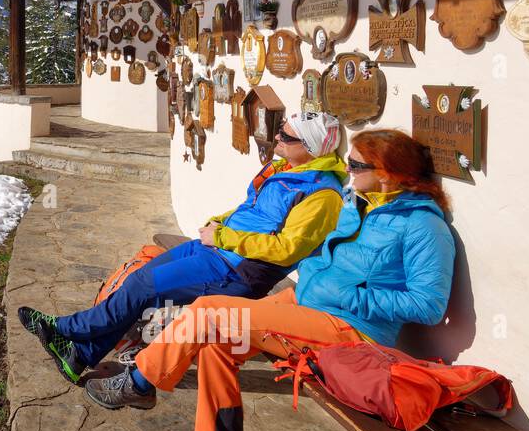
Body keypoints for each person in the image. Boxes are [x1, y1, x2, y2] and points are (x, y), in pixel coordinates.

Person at [85, 129, 456, 431]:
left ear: (389, 173)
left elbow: (428, 305)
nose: (348, 169)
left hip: (350, 327)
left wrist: (352, 295)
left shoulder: (423, 226)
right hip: (307, 303)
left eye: (357, 164)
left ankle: (139, 383)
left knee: (209, 312)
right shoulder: (360, 203)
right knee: (218, 342)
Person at [18, 112, 346, 384]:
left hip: (236, 268)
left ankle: (65, 328)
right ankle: (78, 356)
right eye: (280, 132)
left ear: (312, 148)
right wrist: (219, 222)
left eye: (286, 137)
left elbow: (287, 249)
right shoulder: (285, 170)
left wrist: (223, 238)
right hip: (214, 248)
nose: (277, 139)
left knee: (143, 286)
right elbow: (251, 209)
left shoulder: (322, 195)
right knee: (142, 279)